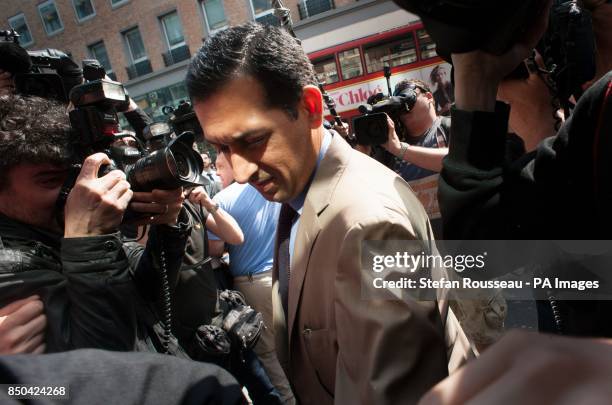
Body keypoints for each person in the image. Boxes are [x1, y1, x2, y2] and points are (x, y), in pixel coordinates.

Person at [186, 23, 450, 404]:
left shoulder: (367, 225)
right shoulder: (300, 195)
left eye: (254, 140)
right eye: (223, 148)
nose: (239, 172)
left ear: (309, 108)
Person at [0, 94, 189, 353]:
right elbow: (103, 365)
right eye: (50, 180)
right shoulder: (9, 268)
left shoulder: (74, 224)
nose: (80, 190)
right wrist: (87, 241)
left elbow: (152, 288)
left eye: (75, 175)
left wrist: (167, 225)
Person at [191, 152, 293, 404]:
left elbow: (216, 248)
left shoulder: (222, 199)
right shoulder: (272, 186)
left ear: (230, 168)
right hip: (290, 272)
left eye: (219, 168)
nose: (216, 174)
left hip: (255, 282)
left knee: (268, 352)